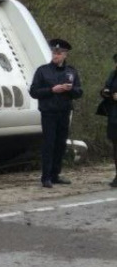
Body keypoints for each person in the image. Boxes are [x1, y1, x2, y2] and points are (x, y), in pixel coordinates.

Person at [29, 39, 83, 188]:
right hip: (49, 113)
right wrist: (52, 90)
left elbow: (79, 92)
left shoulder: (71, 71)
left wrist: (70, 89)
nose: (56, 55)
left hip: (64, 112)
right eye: (54, 52)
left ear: (65, 55)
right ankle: (46, 177)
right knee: (49, 144)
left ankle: (55, 175)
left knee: (60, 144)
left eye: (59, 53)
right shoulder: (43, 71)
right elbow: (33, 92)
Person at [97, 53, 117, 188]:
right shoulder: (113, 74)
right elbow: (106, 88)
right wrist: (105, 92)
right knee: (115, 146)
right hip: (114, 116)